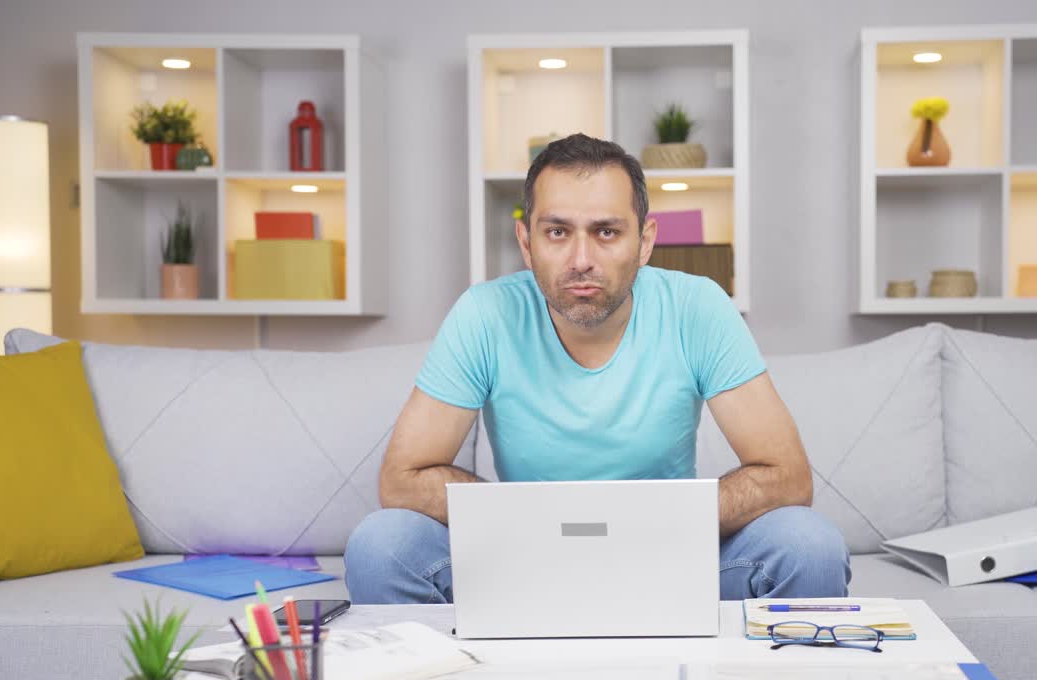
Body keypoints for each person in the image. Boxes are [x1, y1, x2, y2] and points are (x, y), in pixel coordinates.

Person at [345, 133, 849, 604]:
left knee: (810, 544)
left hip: (670, 557)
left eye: (606, 232)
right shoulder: (484, 313)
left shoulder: (697, 306)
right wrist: (542, 522)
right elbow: (402, 481)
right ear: (526, 242)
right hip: (522, 561)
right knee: (380, 545)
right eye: (557, 232)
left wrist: (641, 522)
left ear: (645, 241)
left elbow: (788, 478)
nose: (581, 259)